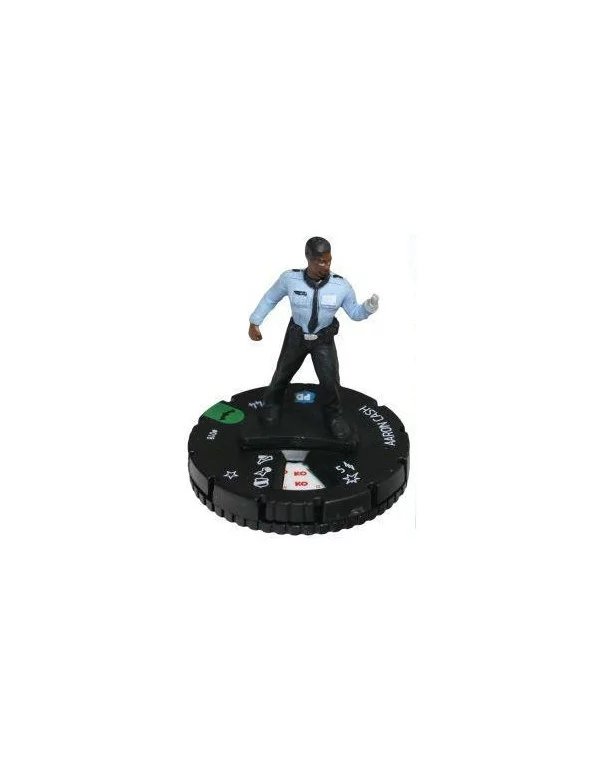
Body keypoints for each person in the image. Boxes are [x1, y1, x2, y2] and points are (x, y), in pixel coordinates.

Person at [248, 237, 379, 440]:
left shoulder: (340, 286)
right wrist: (255, 322)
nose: (326, 266)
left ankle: (334, 416)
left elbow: (355, 313)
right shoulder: (290, 279)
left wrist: (368, 308)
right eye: (320, 261)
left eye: (329, 260)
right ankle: (272, 405)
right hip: (296, 337)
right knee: (282, 374)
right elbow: (270, 298)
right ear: (308, 258)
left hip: (323, 340)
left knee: (330, 381)